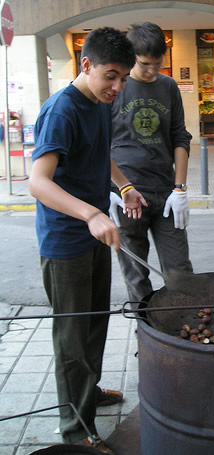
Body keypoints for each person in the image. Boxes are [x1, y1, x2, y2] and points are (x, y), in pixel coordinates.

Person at [29, 27, 147, 454]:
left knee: (95, 322)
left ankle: (89, 392)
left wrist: (124, 186)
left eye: (123, 78)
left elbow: (100, 153)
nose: (117, 87)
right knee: (72, 338)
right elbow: (38, 183)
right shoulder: (61, 110)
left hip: (95, 234)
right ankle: (76, 430)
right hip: (66, 242)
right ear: (86, 65)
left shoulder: (98, 102)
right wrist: (92, 213)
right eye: (111, 76)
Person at [110, 22, 193, 303]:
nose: (152, 71)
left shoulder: (168, 86)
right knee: (136, 276)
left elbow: (180, 137)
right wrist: (108, 188)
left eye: (158, 64)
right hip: (127, 195)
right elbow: (97, 144)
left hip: (165, 192)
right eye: (145, 64)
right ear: (131, 57)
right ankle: (147, 342)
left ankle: (183, 338)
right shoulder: (115, 88)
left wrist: (180, 189)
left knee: (180, 272)